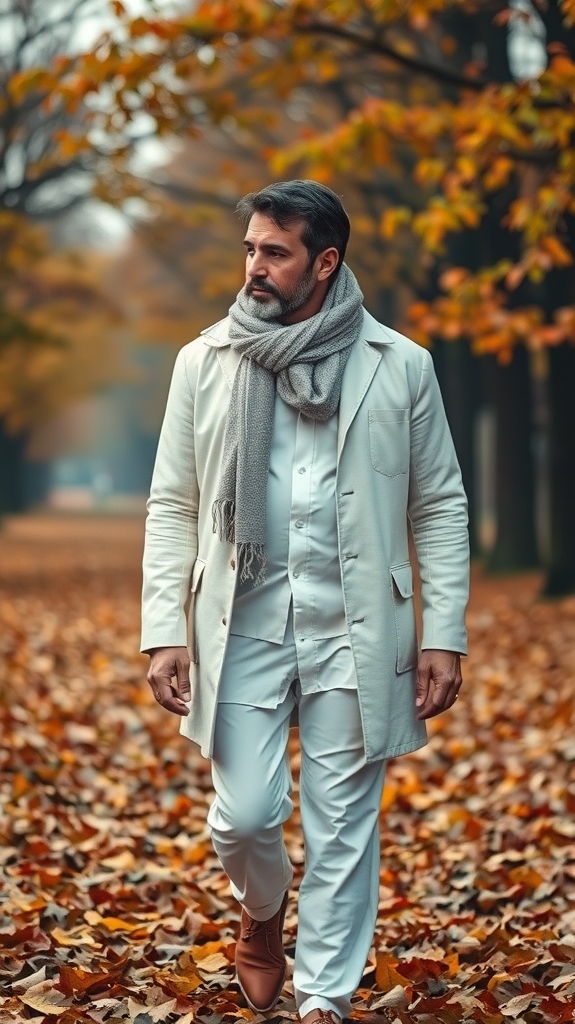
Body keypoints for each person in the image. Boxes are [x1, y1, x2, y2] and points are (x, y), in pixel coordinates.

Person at [141, 179, 469, 1024]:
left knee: (343, 826)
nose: (255, 265)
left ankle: (324, 996)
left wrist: (447, 634)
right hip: (241, 620)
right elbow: (173, 503)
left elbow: (437, 503)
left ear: (324, 262)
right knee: (245, 817)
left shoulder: (401, 366)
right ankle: (261, 912)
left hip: (356, 626)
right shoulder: (205, 361)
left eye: (275, 252)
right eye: (251, 248)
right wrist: (162, 630)